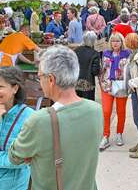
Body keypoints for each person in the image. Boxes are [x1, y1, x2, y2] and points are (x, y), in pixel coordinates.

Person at [9, 46, 103, 190]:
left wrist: (34, 154)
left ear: (51, 79)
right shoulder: (95, 110)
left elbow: (14, 156)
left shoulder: (39, 121)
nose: (40, 81)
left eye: (40, 76)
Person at [99, 33, 131, 150]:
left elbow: (129, 71)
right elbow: (102, 68)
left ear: (121, 42)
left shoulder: (127, 55)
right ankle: (106, 135)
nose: (115, 43)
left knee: (121, 111)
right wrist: (101, 80)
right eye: (113, 41)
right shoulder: (105, 53)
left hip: (121, 86)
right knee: (106, 111)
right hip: (107, 85)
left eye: (117, 41)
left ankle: (119, 133)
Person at [74, 32, 100, 100]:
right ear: (94, 41)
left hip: (75, 82)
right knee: (88, 105)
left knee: (76, 104)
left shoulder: (76, 51)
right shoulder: (95, 53)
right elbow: (95, 71)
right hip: (88, 84)